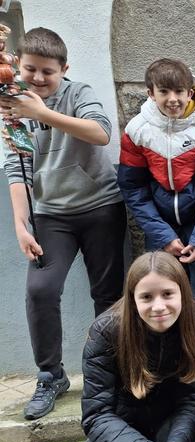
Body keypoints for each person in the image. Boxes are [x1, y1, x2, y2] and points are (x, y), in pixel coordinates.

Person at [0, 27, 126, 420]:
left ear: (63, 69)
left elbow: (101, 133)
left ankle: (111, 371)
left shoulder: (78, 94)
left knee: (107, 295)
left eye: (47, 72)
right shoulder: (12, 104)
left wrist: (44, 113)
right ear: (19, 65)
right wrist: (22, 224)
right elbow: (15, 165)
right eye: (31, 69)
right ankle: (50, 375)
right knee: (40, 289)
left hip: (101, 206)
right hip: (51, 214)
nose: (38, 78)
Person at [117, 58, 195, 402]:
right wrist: (164, 236)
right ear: (150, 93)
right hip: (160, 226)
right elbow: (133, 188)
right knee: (157, 292)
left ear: (190, 91)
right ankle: (162, 362)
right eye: (164, 91)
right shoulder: (137, 130)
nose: (174, 99)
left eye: (180, 91)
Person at [77, 251, 195, 442]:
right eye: (146, 297)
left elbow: (192, 400)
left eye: (167, 294)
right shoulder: (104, 332)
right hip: (118, 423)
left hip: (171, 421)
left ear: (182, 293)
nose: (158, 306)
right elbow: (96, 414)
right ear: (133, 298)